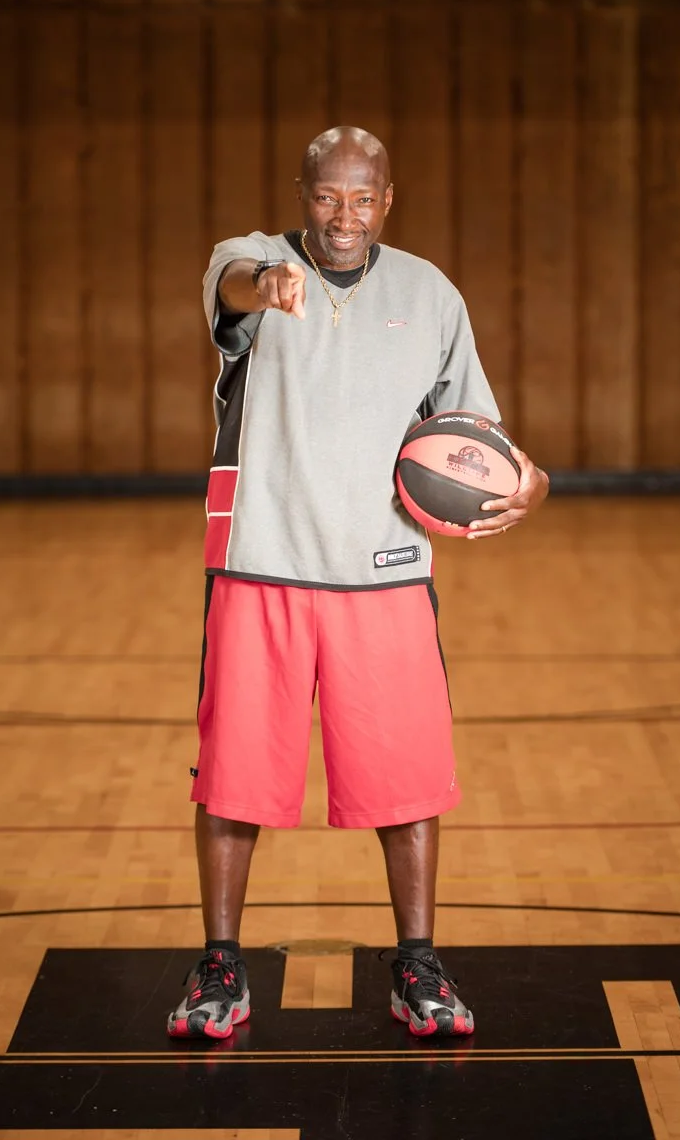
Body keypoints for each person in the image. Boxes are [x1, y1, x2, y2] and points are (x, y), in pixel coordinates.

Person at [167, 126, 549, 1041]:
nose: (345, 216)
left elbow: (477, 434)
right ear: (302, 193)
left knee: (408, 781)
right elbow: (229, 291)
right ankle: (222, 965)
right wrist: (268, 287)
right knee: (231, 780)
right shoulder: (250, 261)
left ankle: (417, 966)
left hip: (384, 572)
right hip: (261, 563)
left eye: (363, 198)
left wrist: (531, 481)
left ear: (389, 199)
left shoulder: (429, 293)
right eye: (328, 196)